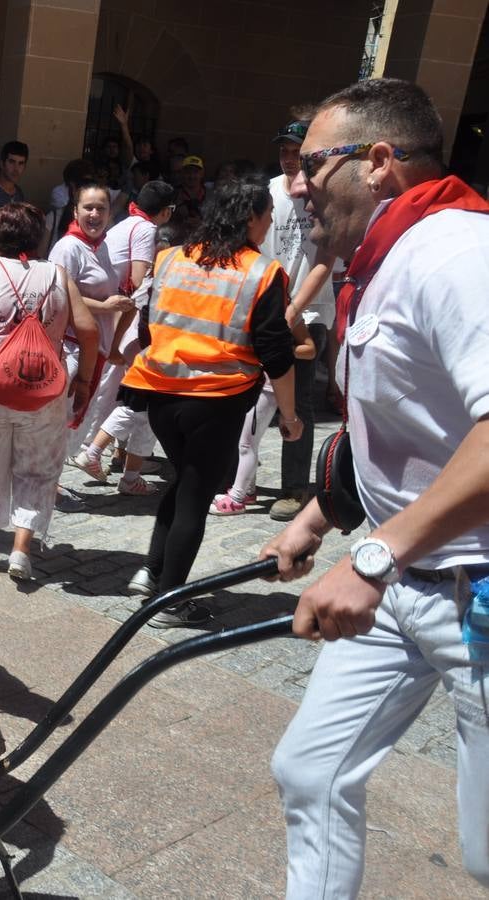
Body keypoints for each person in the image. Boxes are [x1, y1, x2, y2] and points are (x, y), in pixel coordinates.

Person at [260, 77, 489, 898]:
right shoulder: (382, 260)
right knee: (311, 771)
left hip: (472, 593)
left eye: (311, 166)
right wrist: (321, 516)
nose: (295, 185)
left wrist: (373, 558)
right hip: (404, 581)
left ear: (379, 162)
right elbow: (414, 430)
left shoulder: (457, 254)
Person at [120, 176, 298, 627]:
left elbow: (148, 323)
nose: (270, 222)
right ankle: (170, 603)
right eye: (267, 215)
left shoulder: (171, 257)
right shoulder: (261, 272)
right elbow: (277, 352)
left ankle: (151, 573)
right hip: (215, 401)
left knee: (185, 482)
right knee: (196, 497)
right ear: (251, 218)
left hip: (161, 394)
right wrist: (291, 416)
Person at [0, 202, 97, 580]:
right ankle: (21, 550)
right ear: (39, 237)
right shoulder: (58, 274)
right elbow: (89, 330)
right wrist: (85, 379)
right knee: (39, 469)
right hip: (45, 387)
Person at [68, 180, 178, 495]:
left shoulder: (121, 227)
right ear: (166, 212)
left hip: (118, 323)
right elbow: (137, 284)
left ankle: (123, 467)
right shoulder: (144, 231)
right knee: (131, 399)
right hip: (130, 326)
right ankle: (91, 449)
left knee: (131, 401)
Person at [259, 119, 337, 523]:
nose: (289, 159)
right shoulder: (269, 191)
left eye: (296, 152)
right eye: (283, 151)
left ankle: (294, 489)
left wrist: (291, 310)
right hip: (268, 308)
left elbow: (328, 263)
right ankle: (237, 477)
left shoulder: (324, 195)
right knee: (251, 396)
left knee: (299, 400)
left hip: (310, 313)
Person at [47, 182, 135, 512]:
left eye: (101, 208)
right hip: (70, 348)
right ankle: (48, 486)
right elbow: (56, 295)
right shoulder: (68, 247)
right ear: (75, 211)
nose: (94, 214)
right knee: (61, 419)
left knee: (76, 419)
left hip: (95, 347)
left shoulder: (103, 246)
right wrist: (106, 306)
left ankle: (51, 482)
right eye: (88, 207)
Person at [211, 319, 317, 515]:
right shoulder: (253, 306)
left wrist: (278, 352)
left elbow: (310, 349)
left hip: (267, 386)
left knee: (246, 443)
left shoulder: (287, 313)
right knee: (244, 439)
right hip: (245, 382)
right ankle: (247, 490)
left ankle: (236, 498)